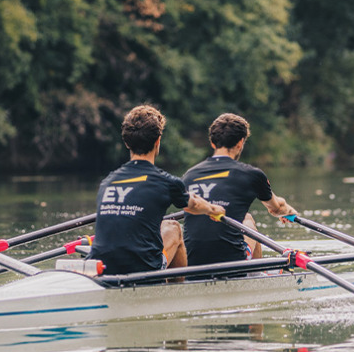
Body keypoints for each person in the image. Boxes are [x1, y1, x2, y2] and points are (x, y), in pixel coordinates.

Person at [88, 105, 226, 275]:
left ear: (126, 143)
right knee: (174, 228)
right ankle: (176, 293)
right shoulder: (166, 183)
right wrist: (214, 209)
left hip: (100, 267)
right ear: (158, 141)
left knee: (161, 225)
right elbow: (194, 205)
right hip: (142, 269)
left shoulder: (107, 182)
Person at [182, 113, 298, 266]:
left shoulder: (189, 175)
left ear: (212, 142)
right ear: (240, 143)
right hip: (232, 262)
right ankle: (255, 274)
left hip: (192, 263)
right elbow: (276, 208)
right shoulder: (252, 175)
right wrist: (289, 211)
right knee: (248, 220)